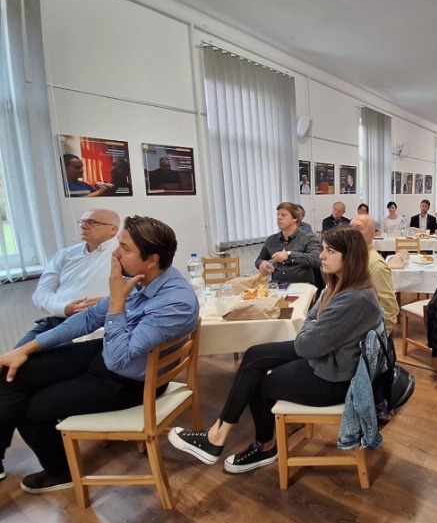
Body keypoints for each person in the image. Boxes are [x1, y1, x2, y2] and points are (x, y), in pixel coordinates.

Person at [0, 216, 199, 492]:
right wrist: (24, 349)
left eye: (125, 249)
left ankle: (61, 471)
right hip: (107, 356)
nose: (116, 254)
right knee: (14, 369)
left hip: (129, 381)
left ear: (151, 259)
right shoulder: (141, 279)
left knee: (32, 409)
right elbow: (88, 318)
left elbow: (120, 358)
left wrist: (116, 300)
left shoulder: (175, 301)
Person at [168, 226, 383, 473]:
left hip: (335, 379)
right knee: (254, 355)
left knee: (258, 382)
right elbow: (312, 321)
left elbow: (305, 343)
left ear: (350, 257)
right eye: (323, 249)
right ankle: (217, 434)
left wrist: (310, 326)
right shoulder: (340, 286)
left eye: (330, 251)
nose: (322, 256)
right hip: (329, 360)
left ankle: (263, 446)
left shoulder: (354, 298)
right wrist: (312, 325)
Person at [17, 210, 120, 347]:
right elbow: (40, 294)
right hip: (57, 319)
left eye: (91, 222)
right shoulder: (65, 255)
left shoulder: (121, 254)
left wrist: (106, 303)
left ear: (112, 229)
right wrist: (64, 308)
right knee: (8, 362)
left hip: (96, 324)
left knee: (34, 364)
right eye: (82, 222)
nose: (83, 226)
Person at [350, 214, 399, 334]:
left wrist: (379, 339)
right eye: (350, 227)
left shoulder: (375, 264)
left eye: (358, 228)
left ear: (371, 235)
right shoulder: (352, 257)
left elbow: (389, 307)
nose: (351, 232)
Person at [254, 202, 321, 285]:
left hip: (301, 286)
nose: (279, 218)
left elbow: (316, 259)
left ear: (295, 218)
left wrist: (289, 256)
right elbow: (258, 260)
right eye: (278, 215)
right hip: (277, 285)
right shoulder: (271, 240)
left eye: (283, 215)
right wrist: (261, 263)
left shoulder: (308, 238)